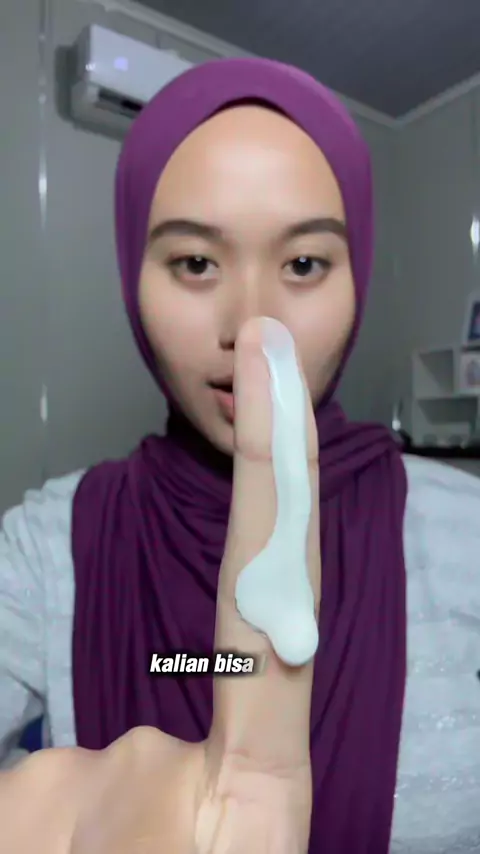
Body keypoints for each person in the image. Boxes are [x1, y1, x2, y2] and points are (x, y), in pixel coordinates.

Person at [0, 56, 479, 852]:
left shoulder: (468, 533)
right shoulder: (47, 549)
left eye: (303, 264)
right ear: (132, 276)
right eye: (195, 262)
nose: (253, 326)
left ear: (356, 276)